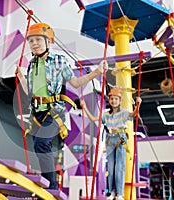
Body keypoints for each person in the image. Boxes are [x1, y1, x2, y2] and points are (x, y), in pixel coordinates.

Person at [16, 22, 108, 190]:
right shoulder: (32, 64)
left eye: (38, 39)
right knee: (39, 146)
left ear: (49, 42)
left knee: (41, 144)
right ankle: (48, 183)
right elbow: (30, 91)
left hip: (53, 112)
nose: (34, 44)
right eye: (31, 41)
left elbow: (75, 81)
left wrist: (96, 73)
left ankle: (50, 187)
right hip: (36, 112)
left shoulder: (59, 60)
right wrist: (22, 77)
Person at [80, 88, 142, 200]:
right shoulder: (106, 115)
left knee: (119, 167)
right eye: (112, 99)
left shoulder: (123, 112)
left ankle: (120, 193)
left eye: (116, 99)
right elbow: (93, 118)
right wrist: (84, 107)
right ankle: (112, 191)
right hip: (109, 139)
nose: (114, 101)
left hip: (120, 138)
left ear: (120, 100)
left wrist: (137, 105)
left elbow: (133, 115)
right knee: (111, 167)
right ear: (109, 100)